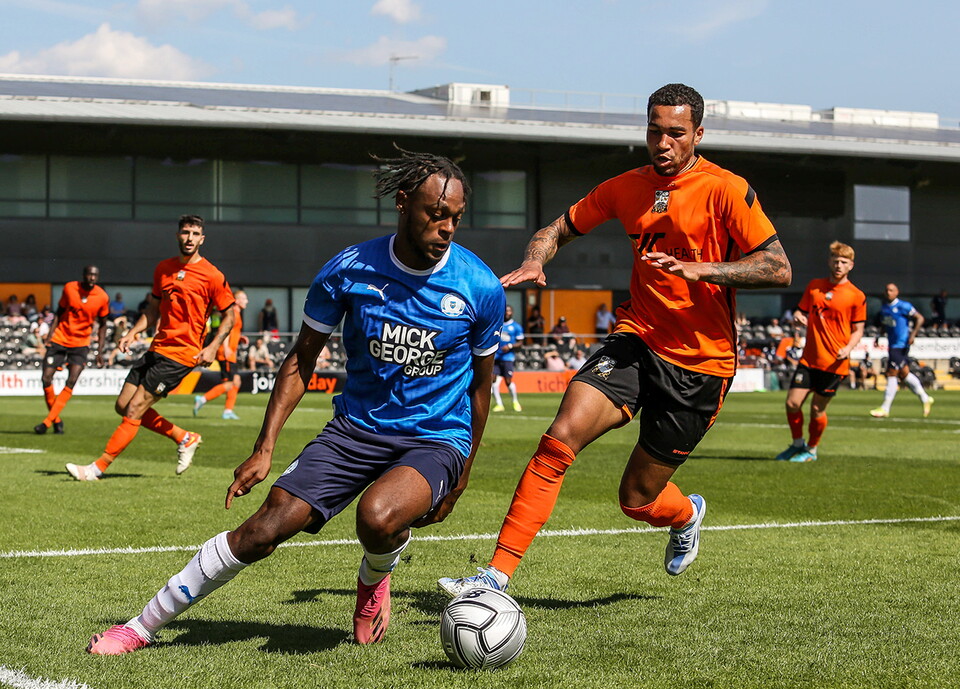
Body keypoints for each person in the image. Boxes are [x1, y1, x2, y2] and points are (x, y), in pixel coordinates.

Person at [84, 149, 505, 656]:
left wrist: (462, 473)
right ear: (402, 203)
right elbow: (301, 360)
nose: (446, 228)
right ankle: (140, 626)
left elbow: (481, 388)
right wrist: (265, 447)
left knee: (377, 516)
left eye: (455, 218)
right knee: (262, 530)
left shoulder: (479, 286)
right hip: (355, 429)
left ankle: (375, 578)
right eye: (435, 214)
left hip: (435, 436)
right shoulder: (348, 269)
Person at [438, 83, 791, 598]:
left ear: (698, 134)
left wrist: (703, 269)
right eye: (655, 131)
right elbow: (556, 229)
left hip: (701, 365)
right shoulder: (627, 186)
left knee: (637, 499)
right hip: (636, 340)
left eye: (675, 133)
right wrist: (536, 258)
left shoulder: (727, 190)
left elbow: (778, 266)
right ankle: (495, 578)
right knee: (559, 438)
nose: (663, 143)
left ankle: (686, 514)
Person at [64, 215, 236, 482]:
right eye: (185, 232)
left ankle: (96, 469)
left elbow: (230, 314)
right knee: (122, 405)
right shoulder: (163, 269)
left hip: (181, 354)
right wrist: (133, 332)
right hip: (157, 348)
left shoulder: (212, 275)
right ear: (177, 235)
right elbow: (153, 309)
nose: (189, 238)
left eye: (195, 233)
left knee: (135, 410)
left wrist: (213, 346)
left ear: (202, 239)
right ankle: (185, 437)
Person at [775, 242, 865, 463]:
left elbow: (858, 329)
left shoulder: (856, 295)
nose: (838, 265)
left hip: (834, 362)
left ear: (851, 265)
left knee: (817, 409)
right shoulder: (815, 286)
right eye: (835, 260)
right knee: (792, 403)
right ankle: (797, 445)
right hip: (809, 358)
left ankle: (812, 450)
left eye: (843, 262)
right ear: (829, 261)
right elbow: (800, 311)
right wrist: (798, 317)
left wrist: (848, 348)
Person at [32, 266, 109, 435]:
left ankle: (46, 423)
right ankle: (56, 420)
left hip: (81, 343)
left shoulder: (102, 297)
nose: (92, 277)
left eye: (95, 275)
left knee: (71, 381)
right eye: (89, 274)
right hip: (60, 339)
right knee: (46, 378)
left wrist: (100, 351)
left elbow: (103, 325)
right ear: (83, 275)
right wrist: (51, 334)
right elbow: (59, 312)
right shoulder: (69, 288)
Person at [869, 283, 934, 418]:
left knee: (891, 373)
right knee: (904, 374)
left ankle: (885, 408)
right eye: (886, 290)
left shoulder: (904, 306)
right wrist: (879, 336)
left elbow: (920, 318)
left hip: (901, 344)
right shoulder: (884, 308)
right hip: (892, 344)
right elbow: (885, 324)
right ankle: (925, 398)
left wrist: (912, 334)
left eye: (891, 290)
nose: (888, 292)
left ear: (897, 292)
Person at [194, 290, 249, 420]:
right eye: (244, 298)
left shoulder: (238, 314)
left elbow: (233, 332)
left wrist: (240, 338)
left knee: (235, 381)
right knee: (231, 383)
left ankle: (228, 411)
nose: (246, 301)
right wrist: (225, 348)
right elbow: (225, 330)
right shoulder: (234, 314)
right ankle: (203, 399)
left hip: (230, 352)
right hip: (227, 353)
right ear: (237, 300)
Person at [492, 305, 524, 412]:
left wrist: (510, 346)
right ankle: (499, 404)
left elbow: (520, 343)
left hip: (508, 357)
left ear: (512, 313)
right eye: (505, 310)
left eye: (509, 311)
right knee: (493, 380)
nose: (507, 312)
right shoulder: (497, 324)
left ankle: (515, 401)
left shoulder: (516, 327)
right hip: (496, 356)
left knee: (508, 381)